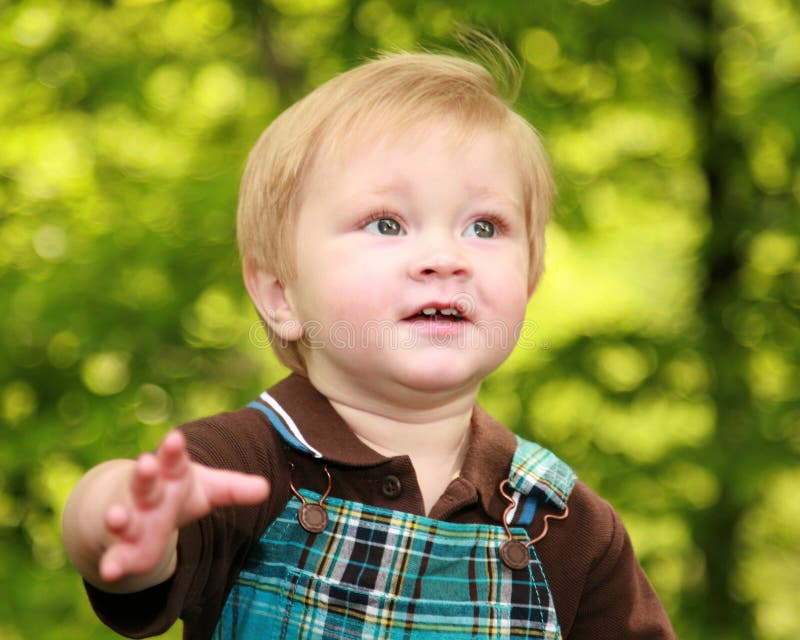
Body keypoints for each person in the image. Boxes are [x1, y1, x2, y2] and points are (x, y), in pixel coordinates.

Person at [63, 46, 676, 639]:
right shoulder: (243, 465)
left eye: (483, 227)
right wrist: (116, 520)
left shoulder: (564, 524)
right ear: (281, 295)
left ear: (529, 283)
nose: (444, 257)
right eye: (387, 223)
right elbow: (130, 546)